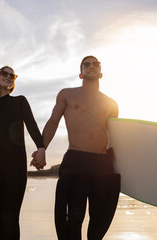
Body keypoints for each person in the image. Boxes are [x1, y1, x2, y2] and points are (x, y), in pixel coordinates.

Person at [33, 56, 121, 240]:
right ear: (80, 74)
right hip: (76, 160)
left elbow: (116, 138)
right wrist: (41, 148)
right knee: (74, 218)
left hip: (102, 164)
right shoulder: (67, 94)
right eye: (87, 64)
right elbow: (53, 122)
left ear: (101, 73)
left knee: (99, 219)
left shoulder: (111, 104)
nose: (91, 66)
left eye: (95, 64)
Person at [0, 66, 46, 240]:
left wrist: (41, 147)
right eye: (5, 73)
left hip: (15, 165)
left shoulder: (19, 101)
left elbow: (32, 126)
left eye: (13, 75)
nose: (9, 77)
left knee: (10, 218)